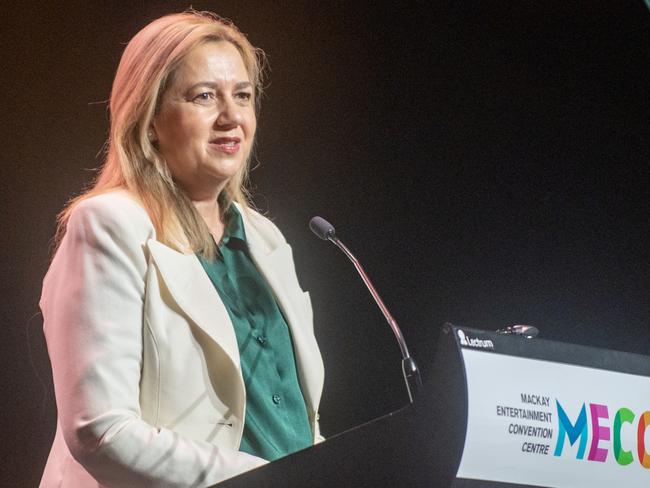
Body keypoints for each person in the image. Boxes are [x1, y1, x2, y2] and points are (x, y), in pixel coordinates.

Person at [39, 10, 324, 487]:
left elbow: (297, 422)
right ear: (150, 118)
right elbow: (100, 430)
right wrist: (269, 478)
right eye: (204, 96)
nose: (231, 117)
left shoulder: (267, 239)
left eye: (243, 96)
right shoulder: (110, 226)